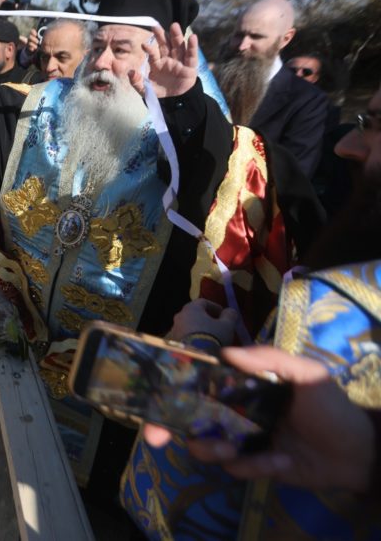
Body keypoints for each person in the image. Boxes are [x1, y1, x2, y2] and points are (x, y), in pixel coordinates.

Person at [0, 0, 322, 504]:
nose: (102, 63)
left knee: (101, 504)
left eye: (122, 50)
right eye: (98, 46)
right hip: (37, 353)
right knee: (23, 480)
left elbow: (203, 188)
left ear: (159, 57)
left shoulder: (201, 133)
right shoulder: (51, 106)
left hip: (126, 382)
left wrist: (180, 102)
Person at [122, 90, 381, 538]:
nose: (346, 146)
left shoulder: (343, 312)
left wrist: (198, 346)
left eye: (375, 125)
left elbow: (189, 506)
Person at [218, 0, 329, 177]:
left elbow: (294, 174)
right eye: (238, 35)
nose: (242, 46)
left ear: (285, 39)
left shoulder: (307, 101)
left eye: (256, 37)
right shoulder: (212, 82)